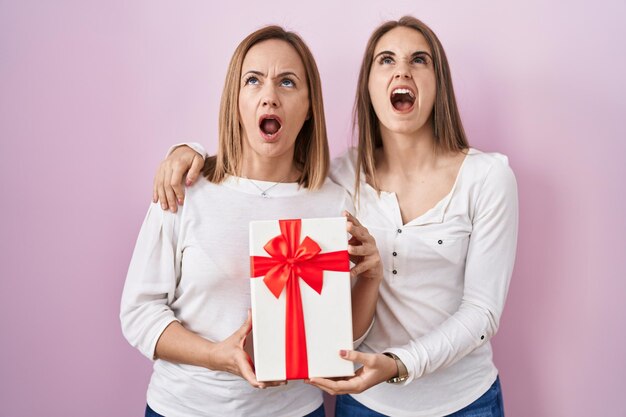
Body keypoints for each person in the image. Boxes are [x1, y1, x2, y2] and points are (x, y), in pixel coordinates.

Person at [151, 16, 518, 417]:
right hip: (363, 405)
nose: (402, 70)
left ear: (439, 83)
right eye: (386, 60)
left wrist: (398, 365)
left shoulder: (488, 177)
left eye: (419, 60)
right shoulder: (339, 179)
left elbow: (482, 311)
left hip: (464, 402)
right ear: (369, 88)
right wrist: (188, 152)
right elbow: (266, 174)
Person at [121, 25, 383, 417]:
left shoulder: (335, 203)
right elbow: (139, 313)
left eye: (288, 82)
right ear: (236, 100)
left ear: (310, 106)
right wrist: (216, 356)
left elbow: (343, 336)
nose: (269, 96)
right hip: (182, 408)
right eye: (253, 81)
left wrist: (370, 277)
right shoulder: (185, 189)